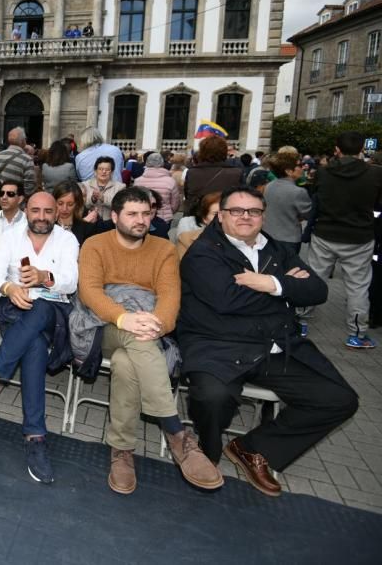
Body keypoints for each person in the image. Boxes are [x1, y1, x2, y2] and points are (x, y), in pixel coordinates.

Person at [178, 186, 359, 496]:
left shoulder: (276, 249)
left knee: (339, 399)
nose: (245, 217)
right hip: (218, 345)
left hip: (275, 347)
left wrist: (269, 283)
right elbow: (226, 300)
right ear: (220, 216)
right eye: (237, 211)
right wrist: (286, 291)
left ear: (263, 215)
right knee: (212, 397)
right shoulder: (203, 252)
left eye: (254, 211)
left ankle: (252, 448)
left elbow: (318, 291)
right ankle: (207, 454)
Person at [78, 186, 222, 495]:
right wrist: (123, 318)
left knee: (125, 363)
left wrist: (159, 325)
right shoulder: (94, 244)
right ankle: (176, 432)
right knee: (133, 340)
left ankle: (122, 451)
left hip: (147, 327)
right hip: (105, 325)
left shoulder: (163, 249)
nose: (140, 220)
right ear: (114, 215)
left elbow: (170, 294)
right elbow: (89, 291)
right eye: (132, 214)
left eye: (146, 213)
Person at [0, 193, 80, 482]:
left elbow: (71, 281)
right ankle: (35, 436)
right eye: (36, 210)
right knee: (32, 344)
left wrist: (45, 276)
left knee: (43, 305)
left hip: (53, 313)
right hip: (17, 311)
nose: (42, 216)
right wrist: (9, 288)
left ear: (57, 212)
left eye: (48, 211)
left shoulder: (67, 239)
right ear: (27, 211)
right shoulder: (10, 237)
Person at [304, 131, 382, 348]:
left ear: (336, 149)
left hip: (325, 232)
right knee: (358, 286)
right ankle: (356, 334)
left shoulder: (323, 172)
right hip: (359, 236)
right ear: (361, 149)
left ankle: (300, 320)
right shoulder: (376, 174)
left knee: (314, 278)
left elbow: (316, 197)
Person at [260, 152, 312, 255]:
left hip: (267, 234)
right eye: (299, 166)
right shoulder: (298, 191)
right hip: (289, 238)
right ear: (289, 171)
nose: (302, 168)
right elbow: (308, 214)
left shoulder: (269, 186)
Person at [183, 136, 243, 218]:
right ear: (224, 152)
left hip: (197, 217)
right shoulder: (236, 173)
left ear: (202, 152)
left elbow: (187, 195)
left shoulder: (192, 172)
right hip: (224, 218)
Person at [134, 153, 181, 223]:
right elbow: (175, 202)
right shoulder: (170, 181)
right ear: (162, 164)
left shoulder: (137, 181)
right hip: (164, 218)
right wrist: (169, 211)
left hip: (142, 217)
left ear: (146, 163)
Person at [0, 127, 36, 196]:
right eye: (25, 139)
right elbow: (30, 185)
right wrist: (21, 198)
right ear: (23, 141)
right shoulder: (27, 159)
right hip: (16, 201)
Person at [52, 181, 98, 246]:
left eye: (70, 204)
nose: (64, 209)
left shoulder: (88, 229)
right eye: (60, 203)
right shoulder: (47, 226)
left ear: (77, 204)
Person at [176, 191, 220, 258]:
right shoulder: (186, 239)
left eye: (226, 212)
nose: (222, 218)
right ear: (204, 218)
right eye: (216, 214)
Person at [80, 156, 121, 222]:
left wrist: (103, 198)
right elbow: (80, 204)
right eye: (100, 169)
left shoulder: (120, 187)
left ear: (112, 172)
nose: (104, 172)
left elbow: (120, 205)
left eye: (107, 169)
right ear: (95, 171)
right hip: (89, 222)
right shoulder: (85, 185)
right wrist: (93, 199)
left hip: (111, 222)